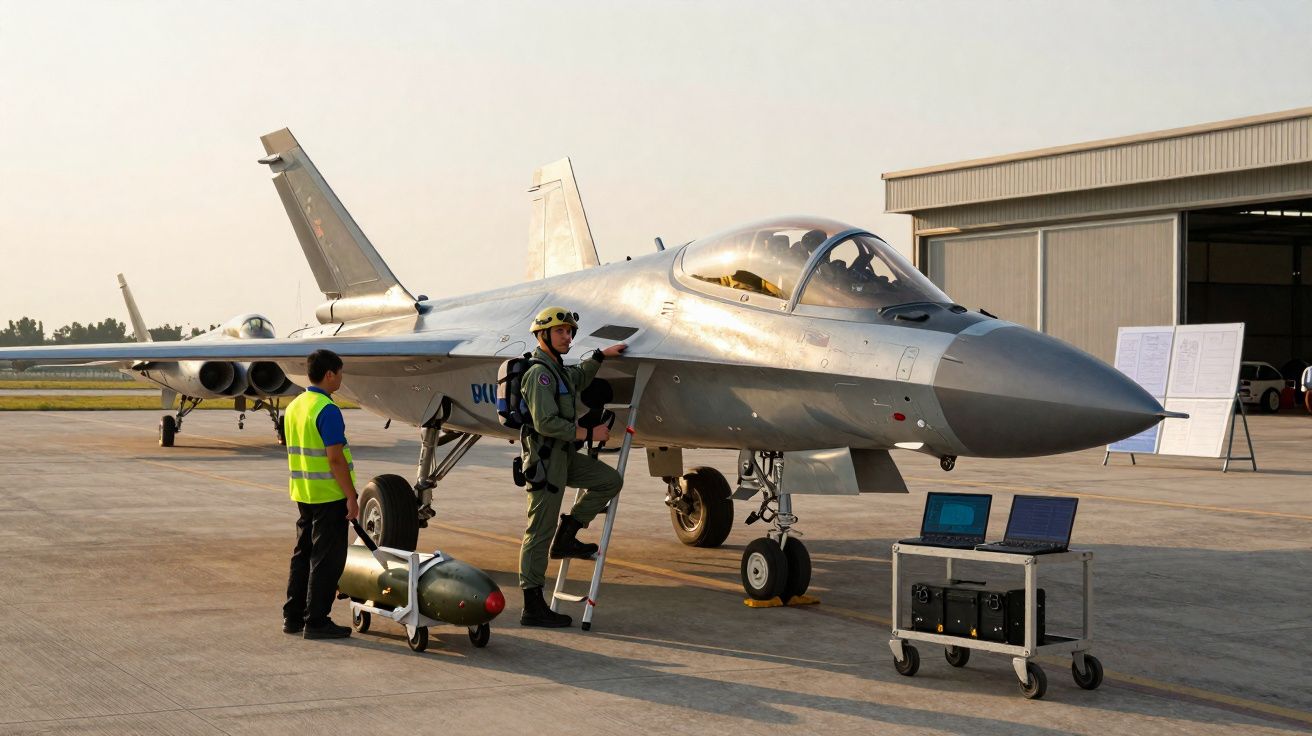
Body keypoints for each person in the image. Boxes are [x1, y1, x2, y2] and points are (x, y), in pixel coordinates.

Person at [518, 306, 627, 627]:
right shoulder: (539, 373)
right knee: (538, 532)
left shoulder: (558, 369)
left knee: (609, 481)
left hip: (564, 457)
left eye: (569, 332)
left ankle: (568, 535)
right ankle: (532, 605)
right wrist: (589, 433)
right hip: (545, 461)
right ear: (543, 336)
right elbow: (545, 422)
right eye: (561, 332)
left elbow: (578, 378)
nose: (567, 337)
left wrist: (600, 356)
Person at [282, 349, 360, 639]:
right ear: (329, 374)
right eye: (339, 373)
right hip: (329, 494)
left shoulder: (296, 406)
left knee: (303, 555)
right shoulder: (327, 409)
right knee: (326, 560)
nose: (341, 378)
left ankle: (293, 617)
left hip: (303, 492)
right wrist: (351, 495)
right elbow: (335, 459)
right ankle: (316, 621)